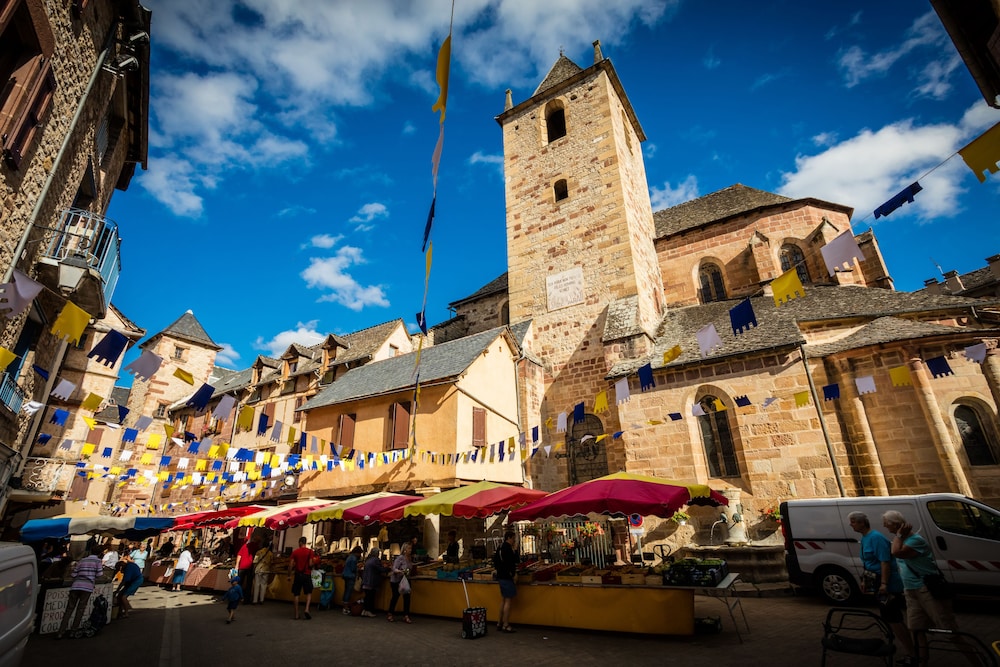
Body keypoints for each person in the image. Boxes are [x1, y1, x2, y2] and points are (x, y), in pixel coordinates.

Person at [884, 510, 977, 664]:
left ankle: (977, 661)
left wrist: (899, 535)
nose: (885, 527)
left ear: (895, 525)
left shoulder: (915, 541)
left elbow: (896, 553)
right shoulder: (901, 540)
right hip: (910, 591)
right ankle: (922, 662)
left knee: (949, 630)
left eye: (886, 524)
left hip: (926, 590)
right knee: (916, 629)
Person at [848, 511, 915, 664]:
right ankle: (911, 651)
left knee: (893, 618)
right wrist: (865, 581)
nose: (850, 525)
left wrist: (884, 584)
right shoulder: (866, 537)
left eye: (853, 521)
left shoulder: (876, 538)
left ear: (862, 523)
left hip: (887, 583)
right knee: (890, 617)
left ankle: (912, 653)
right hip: (876, 580)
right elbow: (869, 563)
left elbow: (885, 562)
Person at [57, 545, 103, 639]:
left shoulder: (82, 560)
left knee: (69, 609)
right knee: (80, 609)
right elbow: (100, 574)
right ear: (99, 553)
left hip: (76, 585)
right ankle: (73, 631)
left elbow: (74, 574)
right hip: (87, 587)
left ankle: (60, 632)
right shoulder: (98, 561)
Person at [495, 530, 520, 633]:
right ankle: (506, 624)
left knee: (503, 600)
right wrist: (515, 550)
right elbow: (515, 561)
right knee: (508, 601)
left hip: (500, 576)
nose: (514, 540)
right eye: (513, 538)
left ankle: (499, 622)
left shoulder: (500, 547)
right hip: (507, 577)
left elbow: (495, 562)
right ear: (509, 538)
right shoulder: (508, 549)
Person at [287, 536, 316, 620]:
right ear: (305, 542)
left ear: (300, 542)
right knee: (309, 593)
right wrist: (315, 562)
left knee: (296, 594)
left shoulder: (295, 552)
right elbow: (310, 564)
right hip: (307, 575)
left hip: (298, 575)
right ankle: (306, 609)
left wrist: (289, 575)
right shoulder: (310, 552)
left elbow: (290, 565)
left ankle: (296, 614)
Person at [387, 542, 413, 624]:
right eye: (409, 548)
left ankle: (406, 615)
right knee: (395, 596)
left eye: (411, 548)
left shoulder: (410, 558)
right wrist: (399, 571)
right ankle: (390, 613)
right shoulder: (400, 558)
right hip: (396, 580)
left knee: (407, 597)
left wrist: (408, 572)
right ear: (404, 549)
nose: (410, 550)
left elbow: (409, 568)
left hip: (405, 579)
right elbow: (394, 568)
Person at [360, 548, 383, 618]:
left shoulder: (368, 560)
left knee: (367, 597)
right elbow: (380, 569)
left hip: (366, 581)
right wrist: (388, 569)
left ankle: (364, 611)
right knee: (371, 597)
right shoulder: (376, 560)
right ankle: (369, 611)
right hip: (371, 581)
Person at [341, 546, 362, 615]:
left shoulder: (350, 557)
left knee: (346, 591)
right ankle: (346, 608)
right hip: (350, 576)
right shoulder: (354, 558)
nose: (360, 555)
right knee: (348, 592)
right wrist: (358, 568)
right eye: (359, 553)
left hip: (346, 575)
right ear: (357, 552)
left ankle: (344, 606)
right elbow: (353, 569)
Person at [251, 540, 274, 605]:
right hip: (266, 570)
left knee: (257, 584)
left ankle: (255, 600)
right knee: (264, 585)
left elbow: (255, 561)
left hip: (258, 569)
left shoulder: (258, 552)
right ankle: (261, 599)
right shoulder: (270, 553)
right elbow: (272, 562)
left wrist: (254, 569)